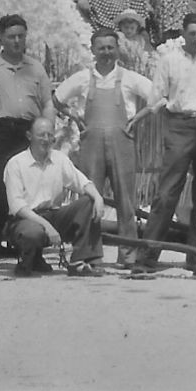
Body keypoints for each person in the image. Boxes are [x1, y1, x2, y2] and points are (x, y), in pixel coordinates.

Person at [54, 27, 156, 267]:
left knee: (126, 201)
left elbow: (159, 96)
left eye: (111, 47)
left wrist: (139, 118)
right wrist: (75, 118)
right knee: (90, 198)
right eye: (102, 48)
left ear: (117, 49)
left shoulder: (130, 78)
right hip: (92, 145)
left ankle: (128, 256)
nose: (107, 52)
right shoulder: (82, 78)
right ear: (93, 50)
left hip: (122, 143)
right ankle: (90, 254)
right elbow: (56, 100)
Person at [0, 14, 54, 274]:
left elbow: (47, 104)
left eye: (21, 36)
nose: (17, 41)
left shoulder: (36, 68)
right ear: (1, 39)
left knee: (32, 196)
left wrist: (48, 135)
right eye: (11, 37)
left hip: (26, 136)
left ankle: (32, 256)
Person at [135, 12, 196, 274]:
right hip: (178, 125)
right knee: (167, 192)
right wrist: (140, 118)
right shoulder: (169, 60)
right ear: (183, 34)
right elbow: (157, 98)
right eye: (192, 33)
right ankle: (147, 256)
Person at [3, 116, 108, 278]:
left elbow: (83, 183)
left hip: (54, 215)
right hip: (25, 220)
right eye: (41, 135)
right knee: (32, 233)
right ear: (29, 136)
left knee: (88, 201)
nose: (46, 139)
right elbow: (18, 208)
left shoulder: (59, 159)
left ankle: (80, 262)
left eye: (49, 135)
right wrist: (48, 227)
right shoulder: (15, 164)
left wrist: (98, 198)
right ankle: (27, 261)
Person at [114, 7, 154, 77]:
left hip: (136, 67)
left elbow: (142, 53)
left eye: (132, 28)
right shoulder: (120, 37)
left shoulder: (139, 40)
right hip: (123, 66)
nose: (129, 31)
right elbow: (122, 52)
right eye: (126, 27)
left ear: (137, 28)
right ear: (120, 27)